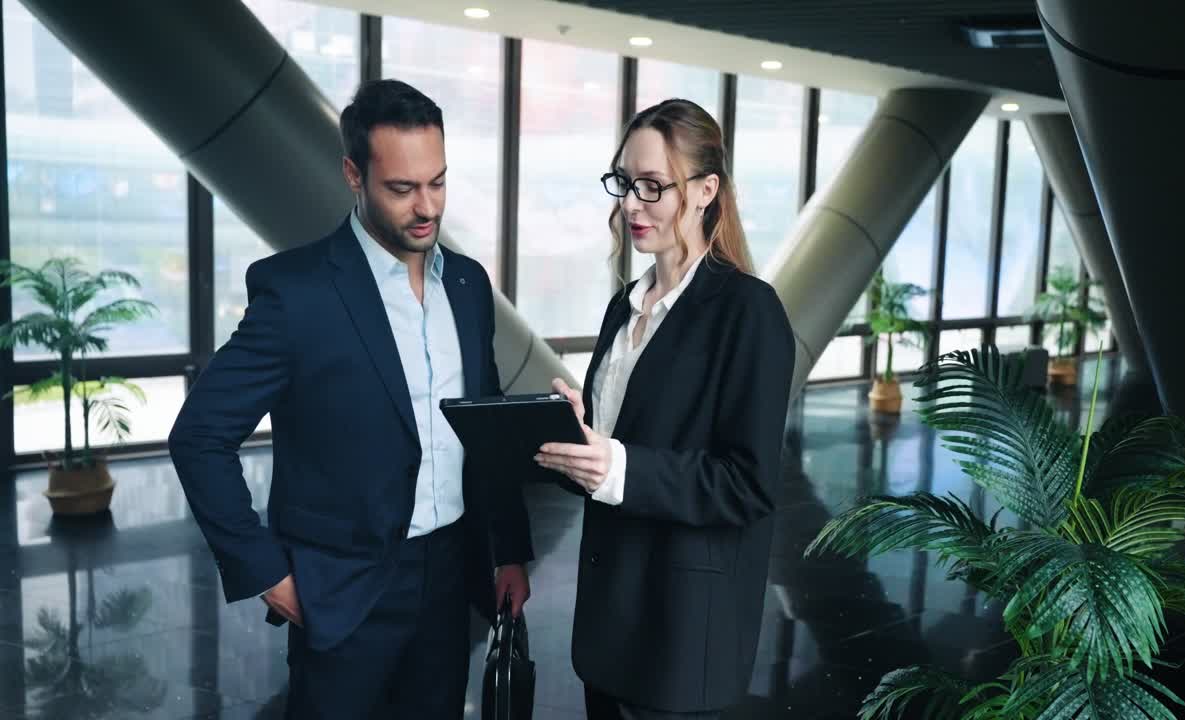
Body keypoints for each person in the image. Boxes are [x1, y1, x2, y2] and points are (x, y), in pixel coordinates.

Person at [168, 79, 532, 719]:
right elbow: (199, 436)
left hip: (451, 578)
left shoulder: (470, 285)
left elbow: (488, 424)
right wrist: (268, 574)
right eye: (402, 188)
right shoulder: (298, 293)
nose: (426, 207)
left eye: (438, 183)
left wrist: (510, 552)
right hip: (341, 588)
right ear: (353, 176)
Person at [535, 98, 795, 719]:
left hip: (681, 642)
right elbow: (624, 450)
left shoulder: (748, 312)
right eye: (625, 182)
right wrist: (579, 440)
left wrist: (617, 466)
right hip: (608, 627)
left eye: (653, 187)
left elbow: (748, 486)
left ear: (706, 190)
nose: (630, 205)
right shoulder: (624, 307)